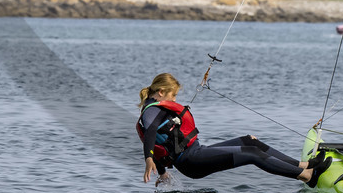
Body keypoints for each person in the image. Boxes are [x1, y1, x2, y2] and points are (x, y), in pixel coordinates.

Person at [137, 73, 321, 186]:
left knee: (249, 141)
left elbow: (162, 142)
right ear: (161, 92)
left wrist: (162, 172)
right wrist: (149, 159)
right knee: (252, 153)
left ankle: (302, 165)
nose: (175, 100)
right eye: (173, 95)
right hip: (191, 161)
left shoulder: (157, 108)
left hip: (196, 153)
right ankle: (306, 176)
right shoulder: (151, 111)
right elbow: (151, 133)